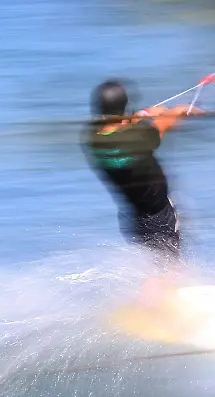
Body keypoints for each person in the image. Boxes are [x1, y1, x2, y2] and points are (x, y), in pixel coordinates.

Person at [81, 79, 200, 266]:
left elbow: (119, 129)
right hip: (158, 215)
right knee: (169, 267)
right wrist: (179, 111)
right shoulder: (137, 136)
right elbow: (164, 124)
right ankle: (160, 295)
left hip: (133, 215)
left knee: (156, 263)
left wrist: (143, 114)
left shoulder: (91, 136)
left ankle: (154, 293)